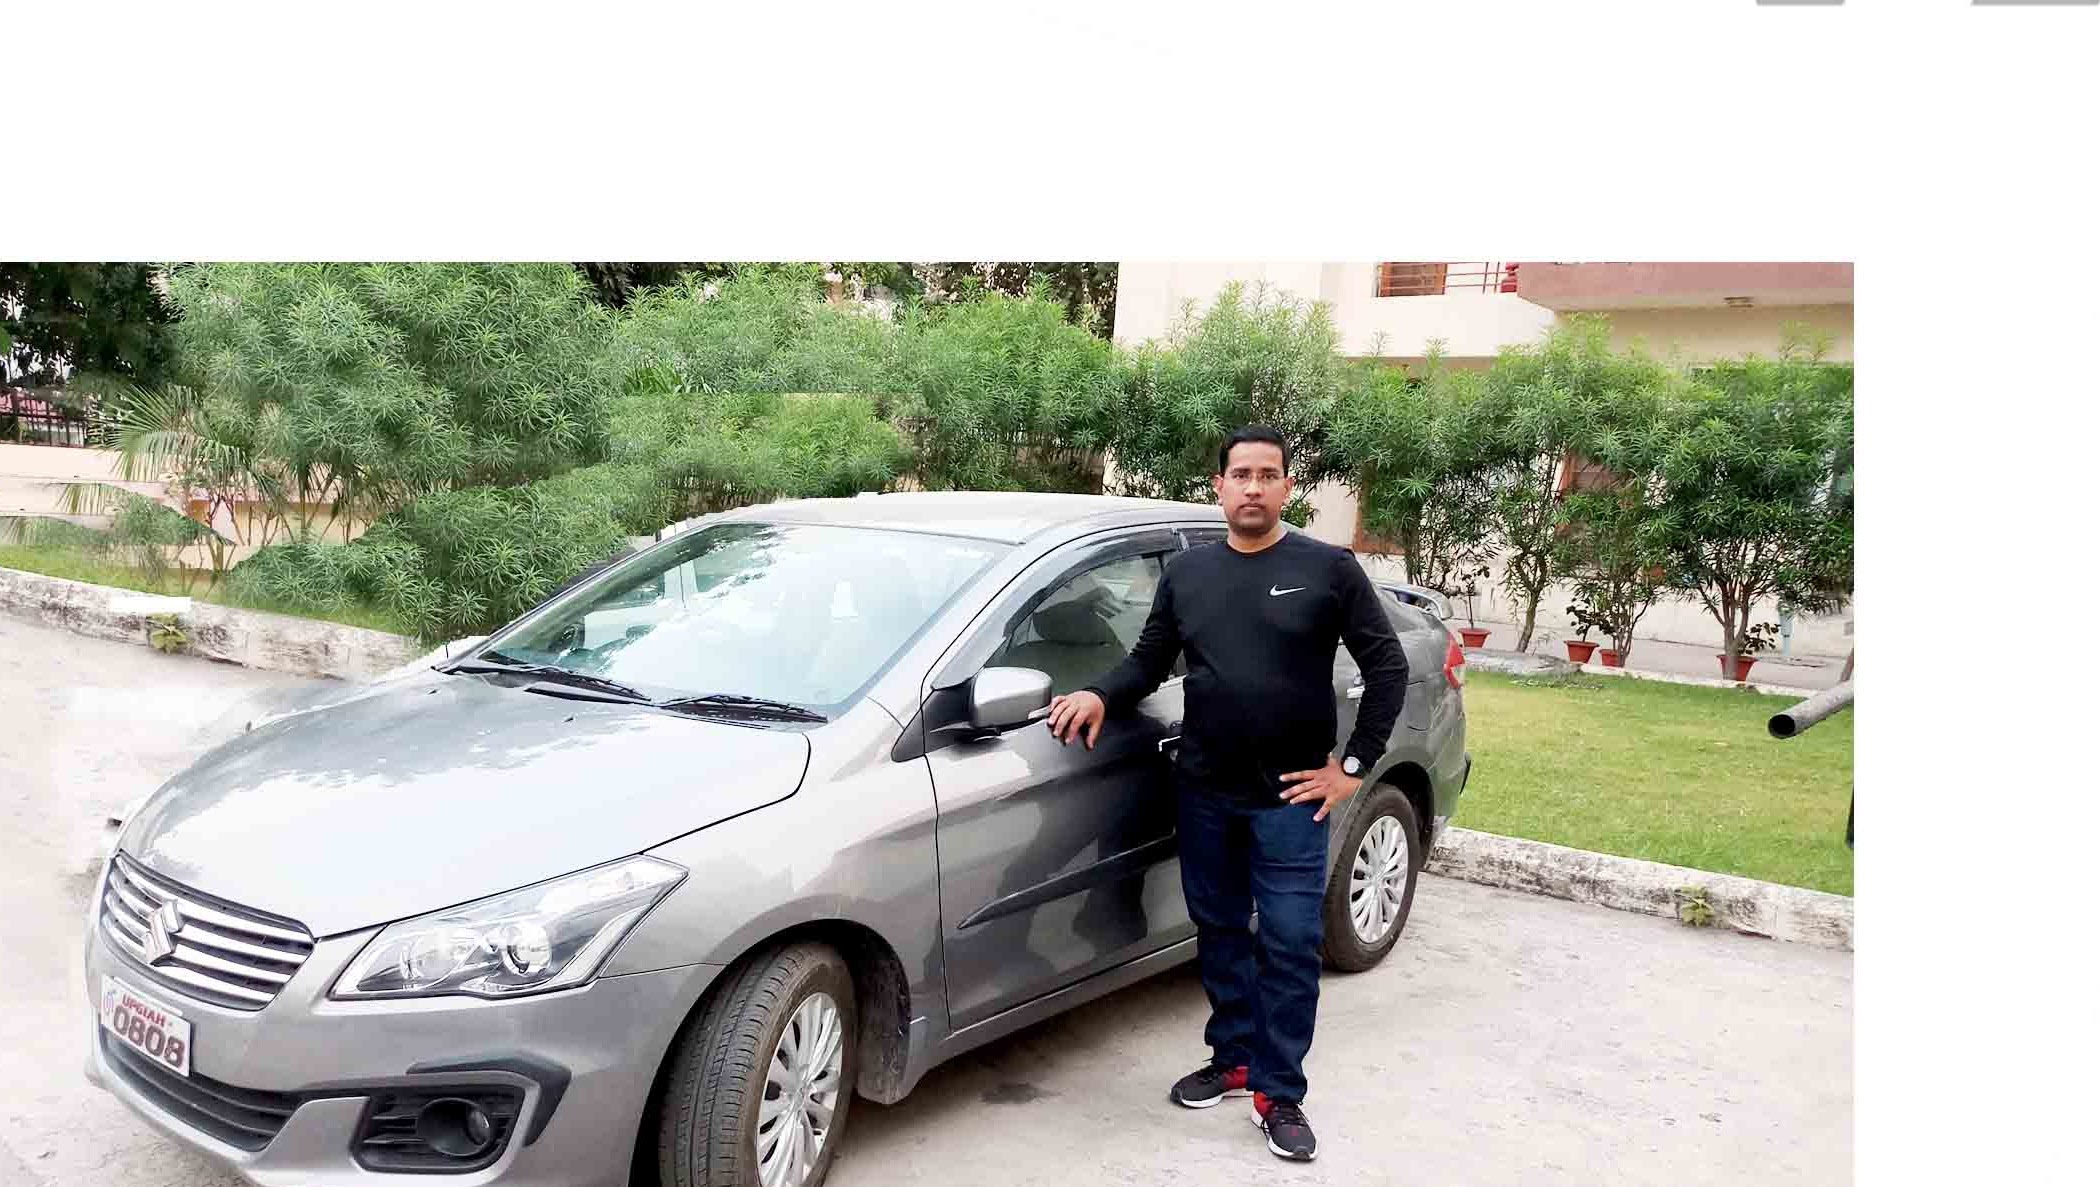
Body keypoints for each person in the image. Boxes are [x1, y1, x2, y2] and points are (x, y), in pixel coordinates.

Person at [1045, 424, 1408, 1163]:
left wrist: (1352, 766)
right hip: (1206, 789)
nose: (1252, 487)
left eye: (1267, 475)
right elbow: (1148, 661)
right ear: (1220, 486)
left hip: (1292, 798)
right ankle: (1235, 1057)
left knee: (1290, 940)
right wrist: (1099, 694)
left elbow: (1388, 667)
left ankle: (1280, 1092)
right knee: (1216, 928)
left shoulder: (1328, 569)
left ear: (1287, 488)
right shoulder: (1189, 574)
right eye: (1240, 474)